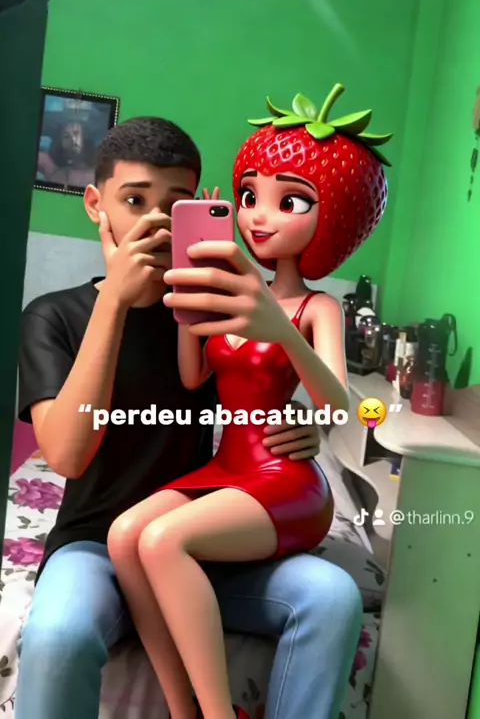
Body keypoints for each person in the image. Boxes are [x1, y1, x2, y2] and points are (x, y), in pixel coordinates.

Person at [15, 116, 363, 719]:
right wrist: (115, 300)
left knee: (332, 596)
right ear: (96, 205)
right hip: (93, 544)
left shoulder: (213, 310)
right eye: (134, 201)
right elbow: (66, 455)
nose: (154, 221)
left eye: (175, 206)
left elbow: (272, 377)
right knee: (57, 637)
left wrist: (312, 423)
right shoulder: (54, 316)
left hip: (204, 539)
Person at [106, 87, 392, 719]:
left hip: (285, 480)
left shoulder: (316, 306)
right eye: (248, 196)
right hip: (229, 467)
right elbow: (192, 378)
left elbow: (338, 409)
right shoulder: (231, 292)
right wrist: (188, 303)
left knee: (163, 542)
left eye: (290, 202)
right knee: (126, 536)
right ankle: (182, 708)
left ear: (331, 218)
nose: (260, 218)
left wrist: (280, 329)